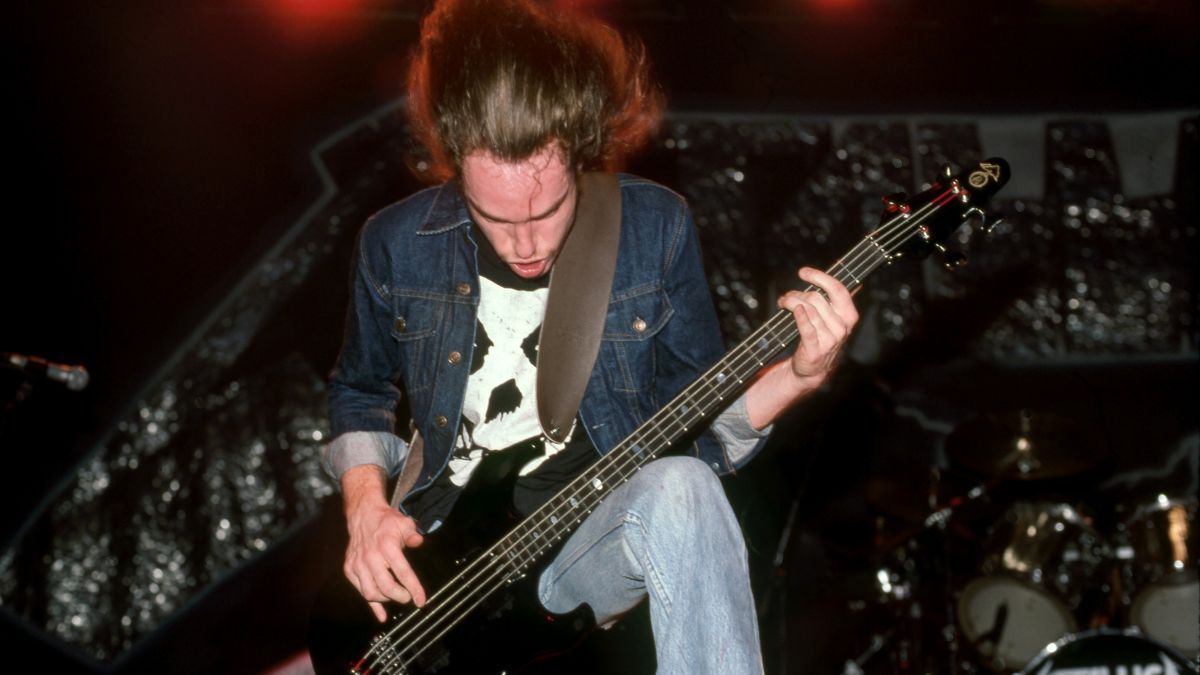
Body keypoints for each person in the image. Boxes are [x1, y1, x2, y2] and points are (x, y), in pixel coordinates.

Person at [322, 0, 859, 672]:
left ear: (578, 156)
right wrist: (365, 509)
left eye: (548, 211)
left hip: (585, 538)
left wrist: (801, 376)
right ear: (455, 165)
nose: (525, 245)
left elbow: (699, 428)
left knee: (682, 485)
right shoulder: (396, 242)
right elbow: (360, 389)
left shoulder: (653, 228)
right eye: (494, 217)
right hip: (441, 557)